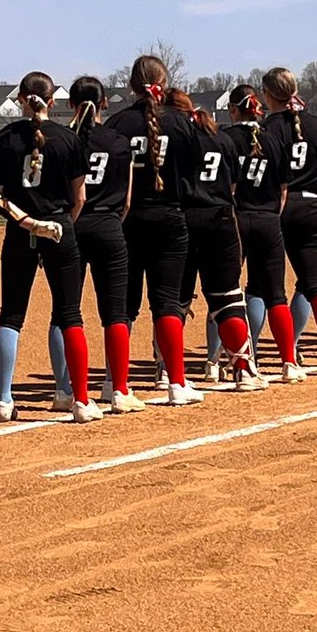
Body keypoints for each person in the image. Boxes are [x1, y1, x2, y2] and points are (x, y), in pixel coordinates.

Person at [0, 70, 102, 424]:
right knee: (70, 315)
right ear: (52, 101)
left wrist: (29, 224)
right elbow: (79, 197)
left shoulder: (3, 138)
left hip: (20, 229)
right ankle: (78, 399)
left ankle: (4, 399)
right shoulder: (68, 139)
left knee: (11, 315)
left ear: (20, 98)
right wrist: (59, 227)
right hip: (61, 226)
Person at [104, 55, 203, 405]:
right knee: (166, 302)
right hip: (170, 219)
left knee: (122, 306)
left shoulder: (116, 122)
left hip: (127, 222)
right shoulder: (181, 122)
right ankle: (176, 381)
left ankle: (115, 382)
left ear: (131, 85)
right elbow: (193, 173)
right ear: (164, 81)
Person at [47, 76, 146, 415]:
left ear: (71, 105)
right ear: (105, 103)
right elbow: (128, 200)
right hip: (109, 227)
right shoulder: (119, 142)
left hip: (69, 227)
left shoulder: (60, 140)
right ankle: (119, 389)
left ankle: (64, 390)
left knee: (65, 311)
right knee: (114, 313)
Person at [163, 88, 263, 390]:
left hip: (181, 219)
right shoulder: (223, 138)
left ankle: (165, 371)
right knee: (227, 297)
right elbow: (232, 186)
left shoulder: (174, 140)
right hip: (219, 219)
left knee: (173, 302)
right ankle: (243, 368)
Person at [262, 68, 317, 376]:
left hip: (278, 207)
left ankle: (285, 358)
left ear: (267, 94)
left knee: (268, 287)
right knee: (316, 283)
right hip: (312, 205)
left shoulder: (267, 128)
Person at [227, 83, 310, 381]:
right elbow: (284, 191)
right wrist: (272, 216)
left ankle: (219, 361)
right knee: (275, 294)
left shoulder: (226, 138)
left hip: (235, 220)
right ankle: (289, 362)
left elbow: (227, 188)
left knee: (226, 292)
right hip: (268, 219)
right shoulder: (273, 140)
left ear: (233, 110)